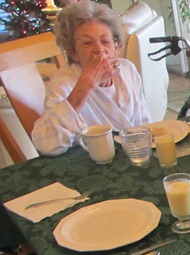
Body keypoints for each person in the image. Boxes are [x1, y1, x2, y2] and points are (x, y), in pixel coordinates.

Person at [32, 0, 151, 156]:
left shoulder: (127, 70)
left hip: (135, 156)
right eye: (88, 43)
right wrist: (86, 84)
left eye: (105, 41)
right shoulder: (62, 83)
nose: (99, 50)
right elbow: (46, 145)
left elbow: (146, 125)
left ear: (117, 46)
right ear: (73, 52)